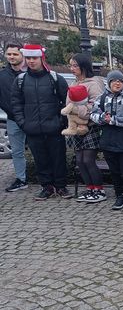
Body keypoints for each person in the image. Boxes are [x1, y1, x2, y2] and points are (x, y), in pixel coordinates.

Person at [10, 44, 70, 200]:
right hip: (33, 129)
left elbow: (67, 103)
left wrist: (61, 122)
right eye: (28, 58)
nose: (31, 61)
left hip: (54, 128)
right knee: (40, 160)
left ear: (41, 58)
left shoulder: (55, 78)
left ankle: (61, 186)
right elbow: (16, 104)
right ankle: (47, 187)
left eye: (34, 58)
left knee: (58, 159)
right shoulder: (20, 80)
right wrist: (23, 123)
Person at [90, 70, 123, 210]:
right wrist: (102, 118)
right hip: (108, 141)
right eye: (114, 81)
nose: (117, 83)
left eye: (120, 81)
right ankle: (120, 197)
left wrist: (113, 120)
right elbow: (93, 115)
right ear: (109, 83)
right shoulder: (101, 98)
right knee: (114, 171)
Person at [66, 53, 106, 203]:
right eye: (70, 65)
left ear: (84, 66)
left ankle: (99, 190)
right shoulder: (73, 84)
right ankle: (89, 188)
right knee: (79, 161)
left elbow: (96, 106)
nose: (72, 68)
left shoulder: (93, 84)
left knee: (88, 160)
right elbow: (69, 104)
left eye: (75, 65)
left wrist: (78, 111)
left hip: (91, 127)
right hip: (76, 127)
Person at [0, 43, 27, 192]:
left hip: (33, 119)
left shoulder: (30, 73)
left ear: (22, 55)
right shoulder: (2, 76)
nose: (11, 57)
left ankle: (47, 180)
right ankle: (21, 179)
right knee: (17, 151)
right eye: (9, 54)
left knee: (40, 150)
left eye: (15, 54)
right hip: (13, 119)